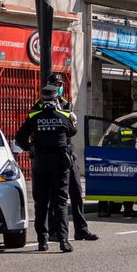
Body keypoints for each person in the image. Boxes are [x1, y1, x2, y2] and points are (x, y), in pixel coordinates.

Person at [30, 74, 97, 242]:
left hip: (67, 151)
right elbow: (32, 124)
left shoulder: (66, 103)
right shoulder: (39, 105)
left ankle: (81, 229)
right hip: (49, 154)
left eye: (60, 84)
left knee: (76, 191)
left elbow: (70, 129)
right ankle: (54, 230)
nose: (59, 87)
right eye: (56, 84)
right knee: (54, 196)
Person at [14, 83, 76, 253]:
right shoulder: (63, 115)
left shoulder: (34, 116)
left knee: (41, 202)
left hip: (40, 161)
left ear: (41, 99)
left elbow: (19, 138)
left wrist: (31, 148)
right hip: (59, 161)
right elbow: (73, 131)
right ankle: (63, 241)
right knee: (60, 202)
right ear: (56, 99)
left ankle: (42, 241)